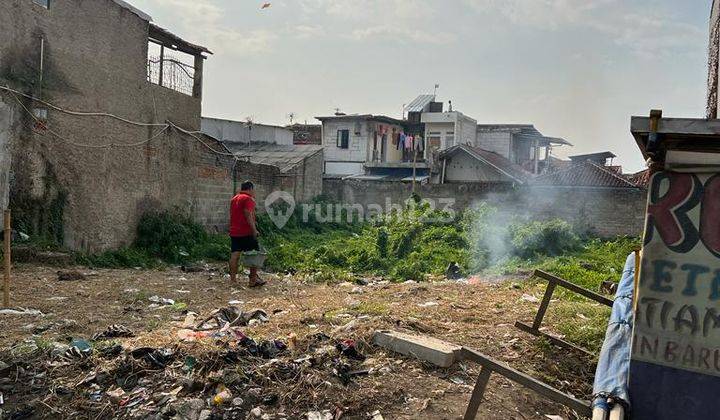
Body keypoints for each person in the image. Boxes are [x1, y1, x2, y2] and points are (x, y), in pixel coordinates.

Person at [229, 181, 265, 287]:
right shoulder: (248, 199)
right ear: (250, 188)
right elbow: (247, 214)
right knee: (254, 255)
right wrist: (254, 230)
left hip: (235, 232)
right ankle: (253, 280)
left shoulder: (234, 198)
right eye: (253, 190)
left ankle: (233, 280)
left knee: (235, 255)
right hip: (247, 232)